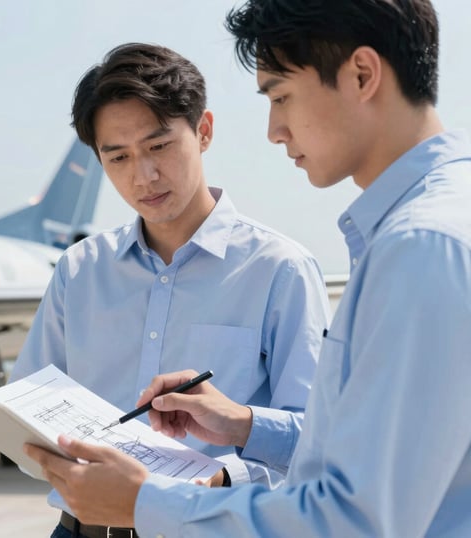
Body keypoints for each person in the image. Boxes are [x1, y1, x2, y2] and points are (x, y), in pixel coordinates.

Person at [24, 1, 471, 536]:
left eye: (280, 96)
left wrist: (147, 503)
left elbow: (354, 520)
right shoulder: (426, 230)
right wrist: (245, 423)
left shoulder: (420, 246)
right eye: (117, 156)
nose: (274, 130)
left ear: (362, 74)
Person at [10, 42, 330, 537]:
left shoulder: (279, 269)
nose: (143, 176)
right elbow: (27, 406)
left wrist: (226, 476)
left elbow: (318, 435)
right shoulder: (78, 270)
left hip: (207, 523)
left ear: (203, 131)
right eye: (118, 157)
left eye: (158, 146)